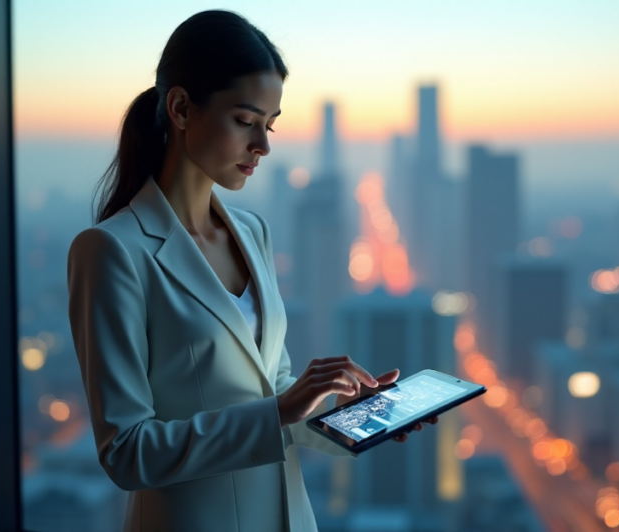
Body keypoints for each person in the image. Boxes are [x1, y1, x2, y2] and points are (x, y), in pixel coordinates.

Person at [67, 10, 435, 532]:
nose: (263, 145)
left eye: (270, 124)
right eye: (245, 121)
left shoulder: (251, 231)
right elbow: (128, 453)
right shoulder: (110, 251)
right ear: (180, 108)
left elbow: (272, 389)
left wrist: (353, 419)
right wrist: (280, 410)